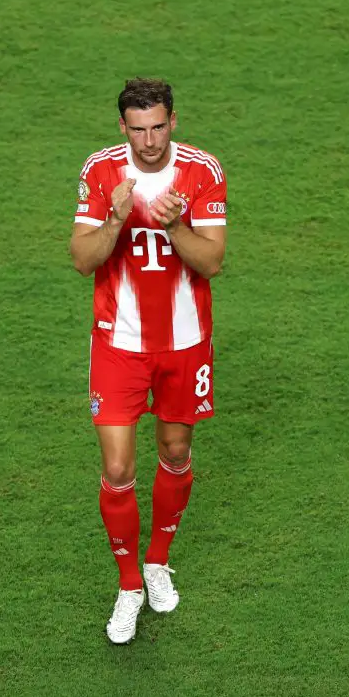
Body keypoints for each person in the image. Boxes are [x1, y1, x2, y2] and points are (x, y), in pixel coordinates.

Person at [69, 78, 228, 644]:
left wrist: (176, 225)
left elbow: (212, 263)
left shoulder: (203, 171)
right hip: (119, 344)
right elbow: (83, 261)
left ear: (173, 120)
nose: (150, 139)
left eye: (158, 126)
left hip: (185, 342)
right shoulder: (100, 172)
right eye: (139, 129)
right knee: (117, 470)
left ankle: (158, 560)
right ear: (122, 128)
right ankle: (129, 584)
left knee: (176, 451)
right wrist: (114, 220)